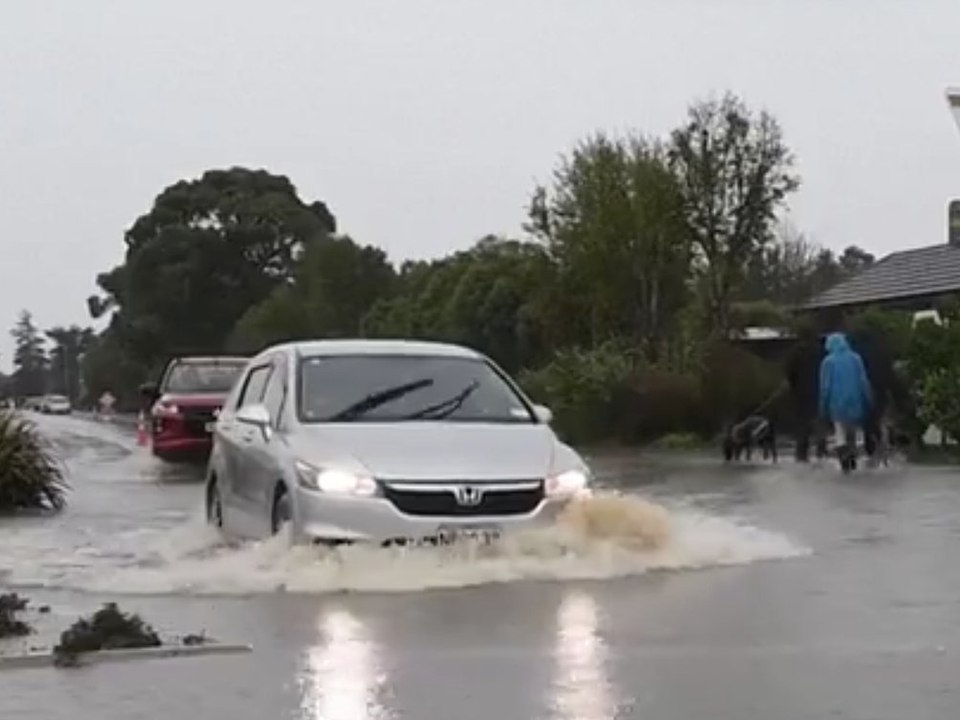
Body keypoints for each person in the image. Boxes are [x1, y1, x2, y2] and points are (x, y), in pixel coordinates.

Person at [818, 331, 873, 472]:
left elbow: (825, 386)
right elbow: (863, 380)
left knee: (839, 431)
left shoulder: (828, 362)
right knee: (852, 431)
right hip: (855, 400)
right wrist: (868, 398)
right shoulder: (856, 358)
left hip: (836, 402)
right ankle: (852, 456)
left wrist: (823, 405)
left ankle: (844, 459)